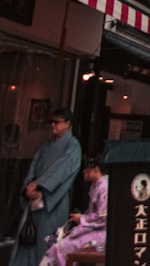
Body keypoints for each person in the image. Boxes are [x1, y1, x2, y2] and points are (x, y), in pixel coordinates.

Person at [13, 107, 82, 266]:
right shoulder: (45, 146)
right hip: (35, 202)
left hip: (53, 202)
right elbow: (34, 165)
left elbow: (61, 170)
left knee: (49, 245)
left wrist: (39, 186)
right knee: (28, 242)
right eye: (51, 122)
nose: (52, 125)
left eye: (56, 122)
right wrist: (28, 187)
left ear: (68, 124)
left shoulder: (73, 146)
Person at [39, 156, 108, 266]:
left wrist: (82, 219)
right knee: (61, 242)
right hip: (92, 229)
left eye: (86, 170)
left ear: (96, 170)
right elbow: (91, 213)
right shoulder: (95, 186)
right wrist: (79, 225)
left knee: (60, 247)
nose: (84, 173)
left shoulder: (104, 186)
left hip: (101, 233)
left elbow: (103, 217)